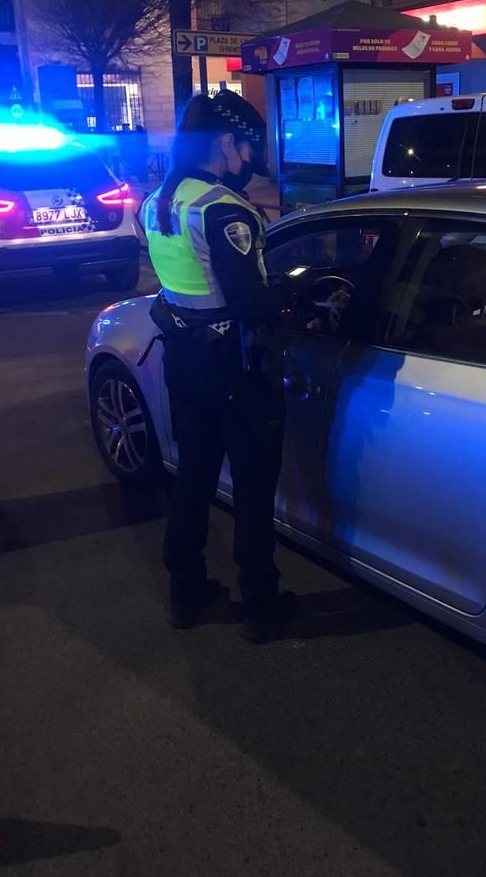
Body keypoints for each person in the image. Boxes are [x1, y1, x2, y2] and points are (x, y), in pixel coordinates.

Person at [142, 90, 292, 643]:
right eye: (247, 146)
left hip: (184, 362)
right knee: (252, 493)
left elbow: (179, 286)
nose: (250, 158)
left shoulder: (159, 201)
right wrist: (297, 300)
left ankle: (186, 591)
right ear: (226, 143)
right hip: (234, 370)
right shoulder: (224, 208)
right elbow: (250, 301)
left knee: (194, 482)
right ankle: (260, 606)